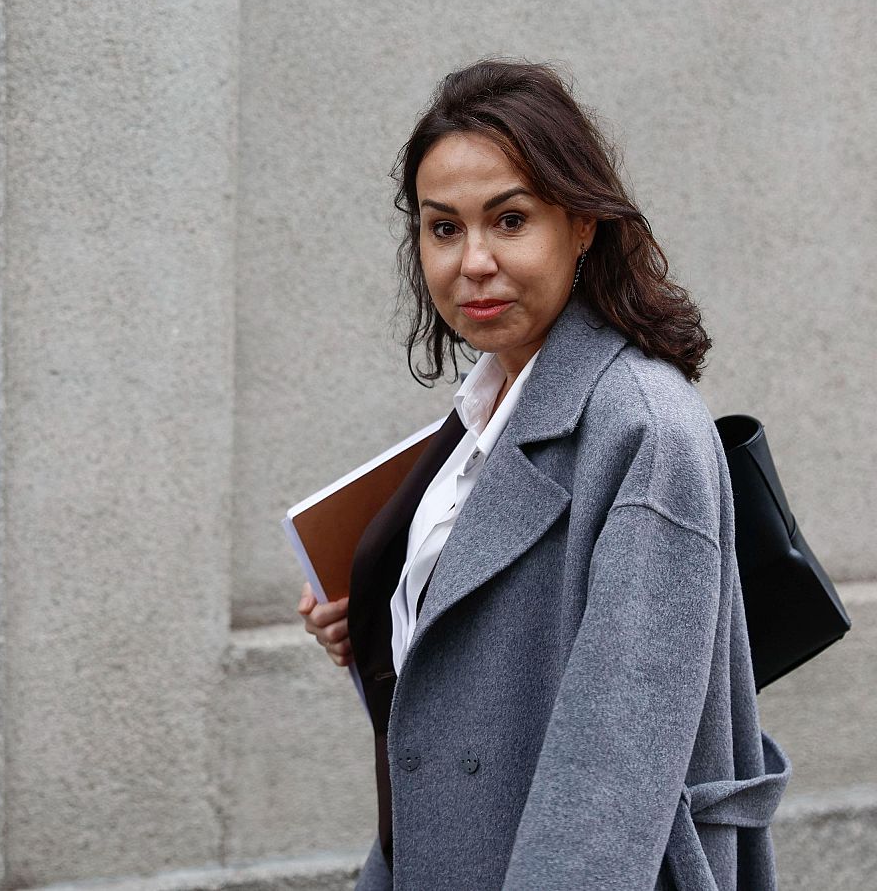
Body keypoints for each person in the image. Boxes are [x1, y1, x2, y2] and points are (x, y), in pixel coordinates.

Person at [296, 59, 790, 890]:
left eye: (510, 220)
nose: (473, 261)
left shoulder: (642, 427)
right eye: (443, 228)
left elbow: (610, 778)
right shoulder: (488, 405)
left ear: (582, 224)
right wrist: (383, 618)